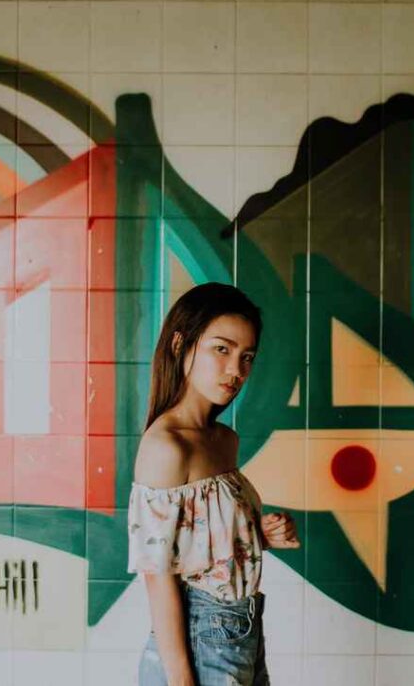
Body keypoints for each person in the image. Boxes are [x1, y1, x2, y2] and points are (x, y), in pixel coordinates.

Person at [127, 282, 300, 686]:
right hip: (200, 642)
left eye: (247, 356)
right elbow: (159, 577)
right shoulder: (165, 447)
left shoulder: (224, 440)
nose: (235, 370)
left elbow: (204, 544)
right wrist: (183, 682)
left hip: (242, 633)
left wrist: (260, 534)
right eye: (221, 349)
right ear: (179, 344)